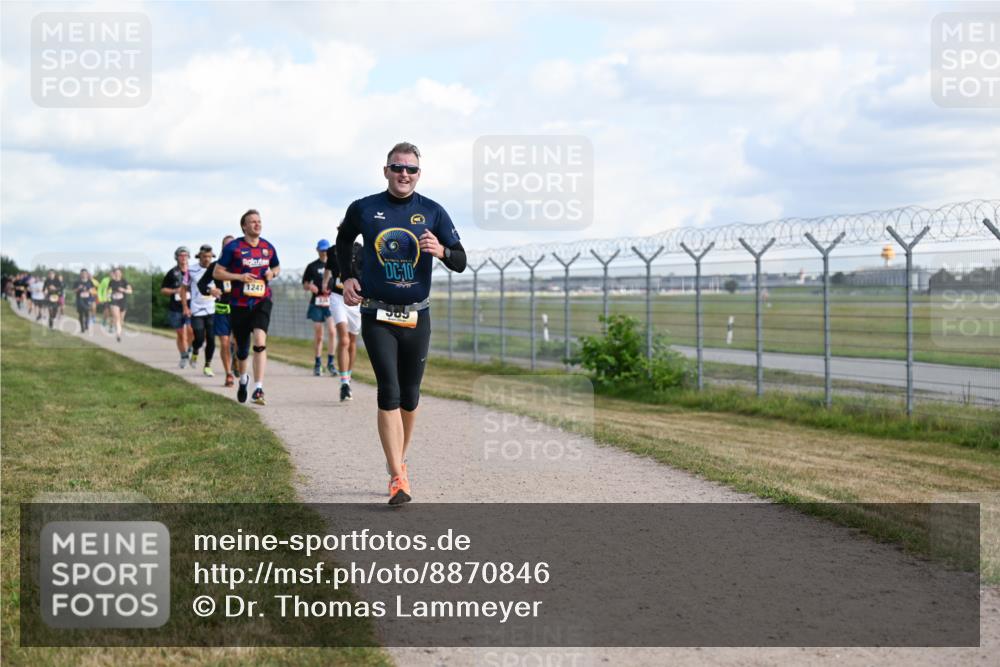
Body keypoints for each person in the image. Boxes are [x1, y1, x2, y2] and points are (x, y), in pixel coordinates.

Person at [337, 141, 466, 505]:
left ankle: (400, 461)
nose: (403, 174)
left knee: (410, 396)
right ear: (386, 171)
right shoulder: (364, 208)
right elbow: (344, 239)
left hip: (416, 314)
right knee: (388, 390)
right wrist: (347, 277)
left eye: (410, 169)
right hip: (376, 312)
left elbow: (460, 260)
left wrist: (440, 251)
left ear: (418, 174)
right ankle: (397, 476)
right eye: (397, 167)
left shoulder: (432, 212)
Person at [214, 210, 280, 405]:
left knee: (259, 341)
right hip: (239, 304)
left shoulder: (268, 247)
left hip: (262, 300)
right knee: (242, 350)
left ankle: (258, 388)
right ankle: (243, 380)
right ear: (244, 226)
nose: (257, 225)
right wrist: (239, 277)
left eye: (259, 221)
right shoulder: (233, 248)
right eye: (252, 222)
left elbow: (276, 267)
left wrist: (272, 274)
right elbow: (218, 273)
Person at [323, 234, 363, 401]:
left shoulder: (361, 250)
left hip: (356, 300)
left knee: (352, 342)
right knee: (344, 340)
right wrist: (325, 284)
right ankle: (344, 382)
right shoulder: (333, 250)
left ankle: (348, 375)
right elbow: (328, 271)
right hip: (338, 297)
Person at [198, 235, 236, 386]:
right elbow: (202, 284)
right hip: (221, 309)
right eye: (227, 246)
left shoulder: (241, 265)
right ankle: (228, 374)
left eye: (232, 246)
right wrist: (210, 290)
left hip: (239, 309)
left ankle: (237, 362)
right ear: (222, 248)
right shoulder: (216, 266)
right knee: (225, 342)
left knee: (238, 342)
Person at [303, 239, 337, 377]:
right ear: (317, 250)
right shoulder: (312, 266)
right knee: (319, 335)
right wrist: (310, 286)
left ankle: (331, 362)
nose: (324, 252)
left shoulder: (335, 264)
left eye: (326, 250)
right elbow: (305, 283)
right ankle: (317, 363)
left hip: (331, 302)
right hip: (317, 303)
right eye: (322, 250)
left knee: (332, 332)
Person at [188, 244, 217, 376]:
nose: (207, 259)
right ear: (199, 256)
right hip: (196, 309)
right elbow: (184, 287)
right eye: (204, 256)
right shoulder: (191, 270)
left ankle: (207, 365)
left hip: (211, 308)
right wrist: (184, 306)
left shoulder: (216, 269)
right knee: (199, 338)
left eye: (209, 257)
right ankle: (195, 351)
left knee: (211, 338)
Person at [161, 247, 193, 367]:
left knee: (191, 330)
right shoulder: (172, 273)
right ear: (177, 257)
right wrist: (175, 291)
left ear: (189, 257)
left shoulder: (193, 271)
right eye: (181, 255)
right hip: (176, 307)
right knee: (180, 333)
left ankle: (190, 347)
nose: (183, 257)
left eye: (185, 255)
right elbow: (163, 290)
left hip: (191, 306)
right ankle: (184, 355)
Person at [107, 267, 132, 342]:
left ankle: (113, 327)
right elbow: (108, 291)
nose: (117, 274)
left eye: (119, 272)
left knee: (121, 320)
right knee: (117, 318)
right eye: (116, 273)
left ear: (121, 274)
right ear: (114, 274)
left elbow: (130, 291)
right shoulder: (111, 282)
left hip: (123, 302)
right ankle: (118, 335)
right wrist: (108, 296)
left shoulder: (124, 282)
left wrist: (123, 290)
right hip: (114, 301)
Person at [73, 269, 96, 333]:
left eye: (85, 273)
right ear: (80, 274)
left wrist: (90, 291)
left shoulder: (90, 282)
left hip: (87, 299)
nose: (84, 275)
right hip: (79, 299)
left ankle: (86, 323)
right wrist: (78, 288)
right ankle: (82, 327)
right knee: (80, 314)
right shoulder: (77, 282)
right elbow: (74, 291)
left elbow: (94, 290)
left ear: (87, 274)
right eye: (82, 273)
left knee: (87, 311)